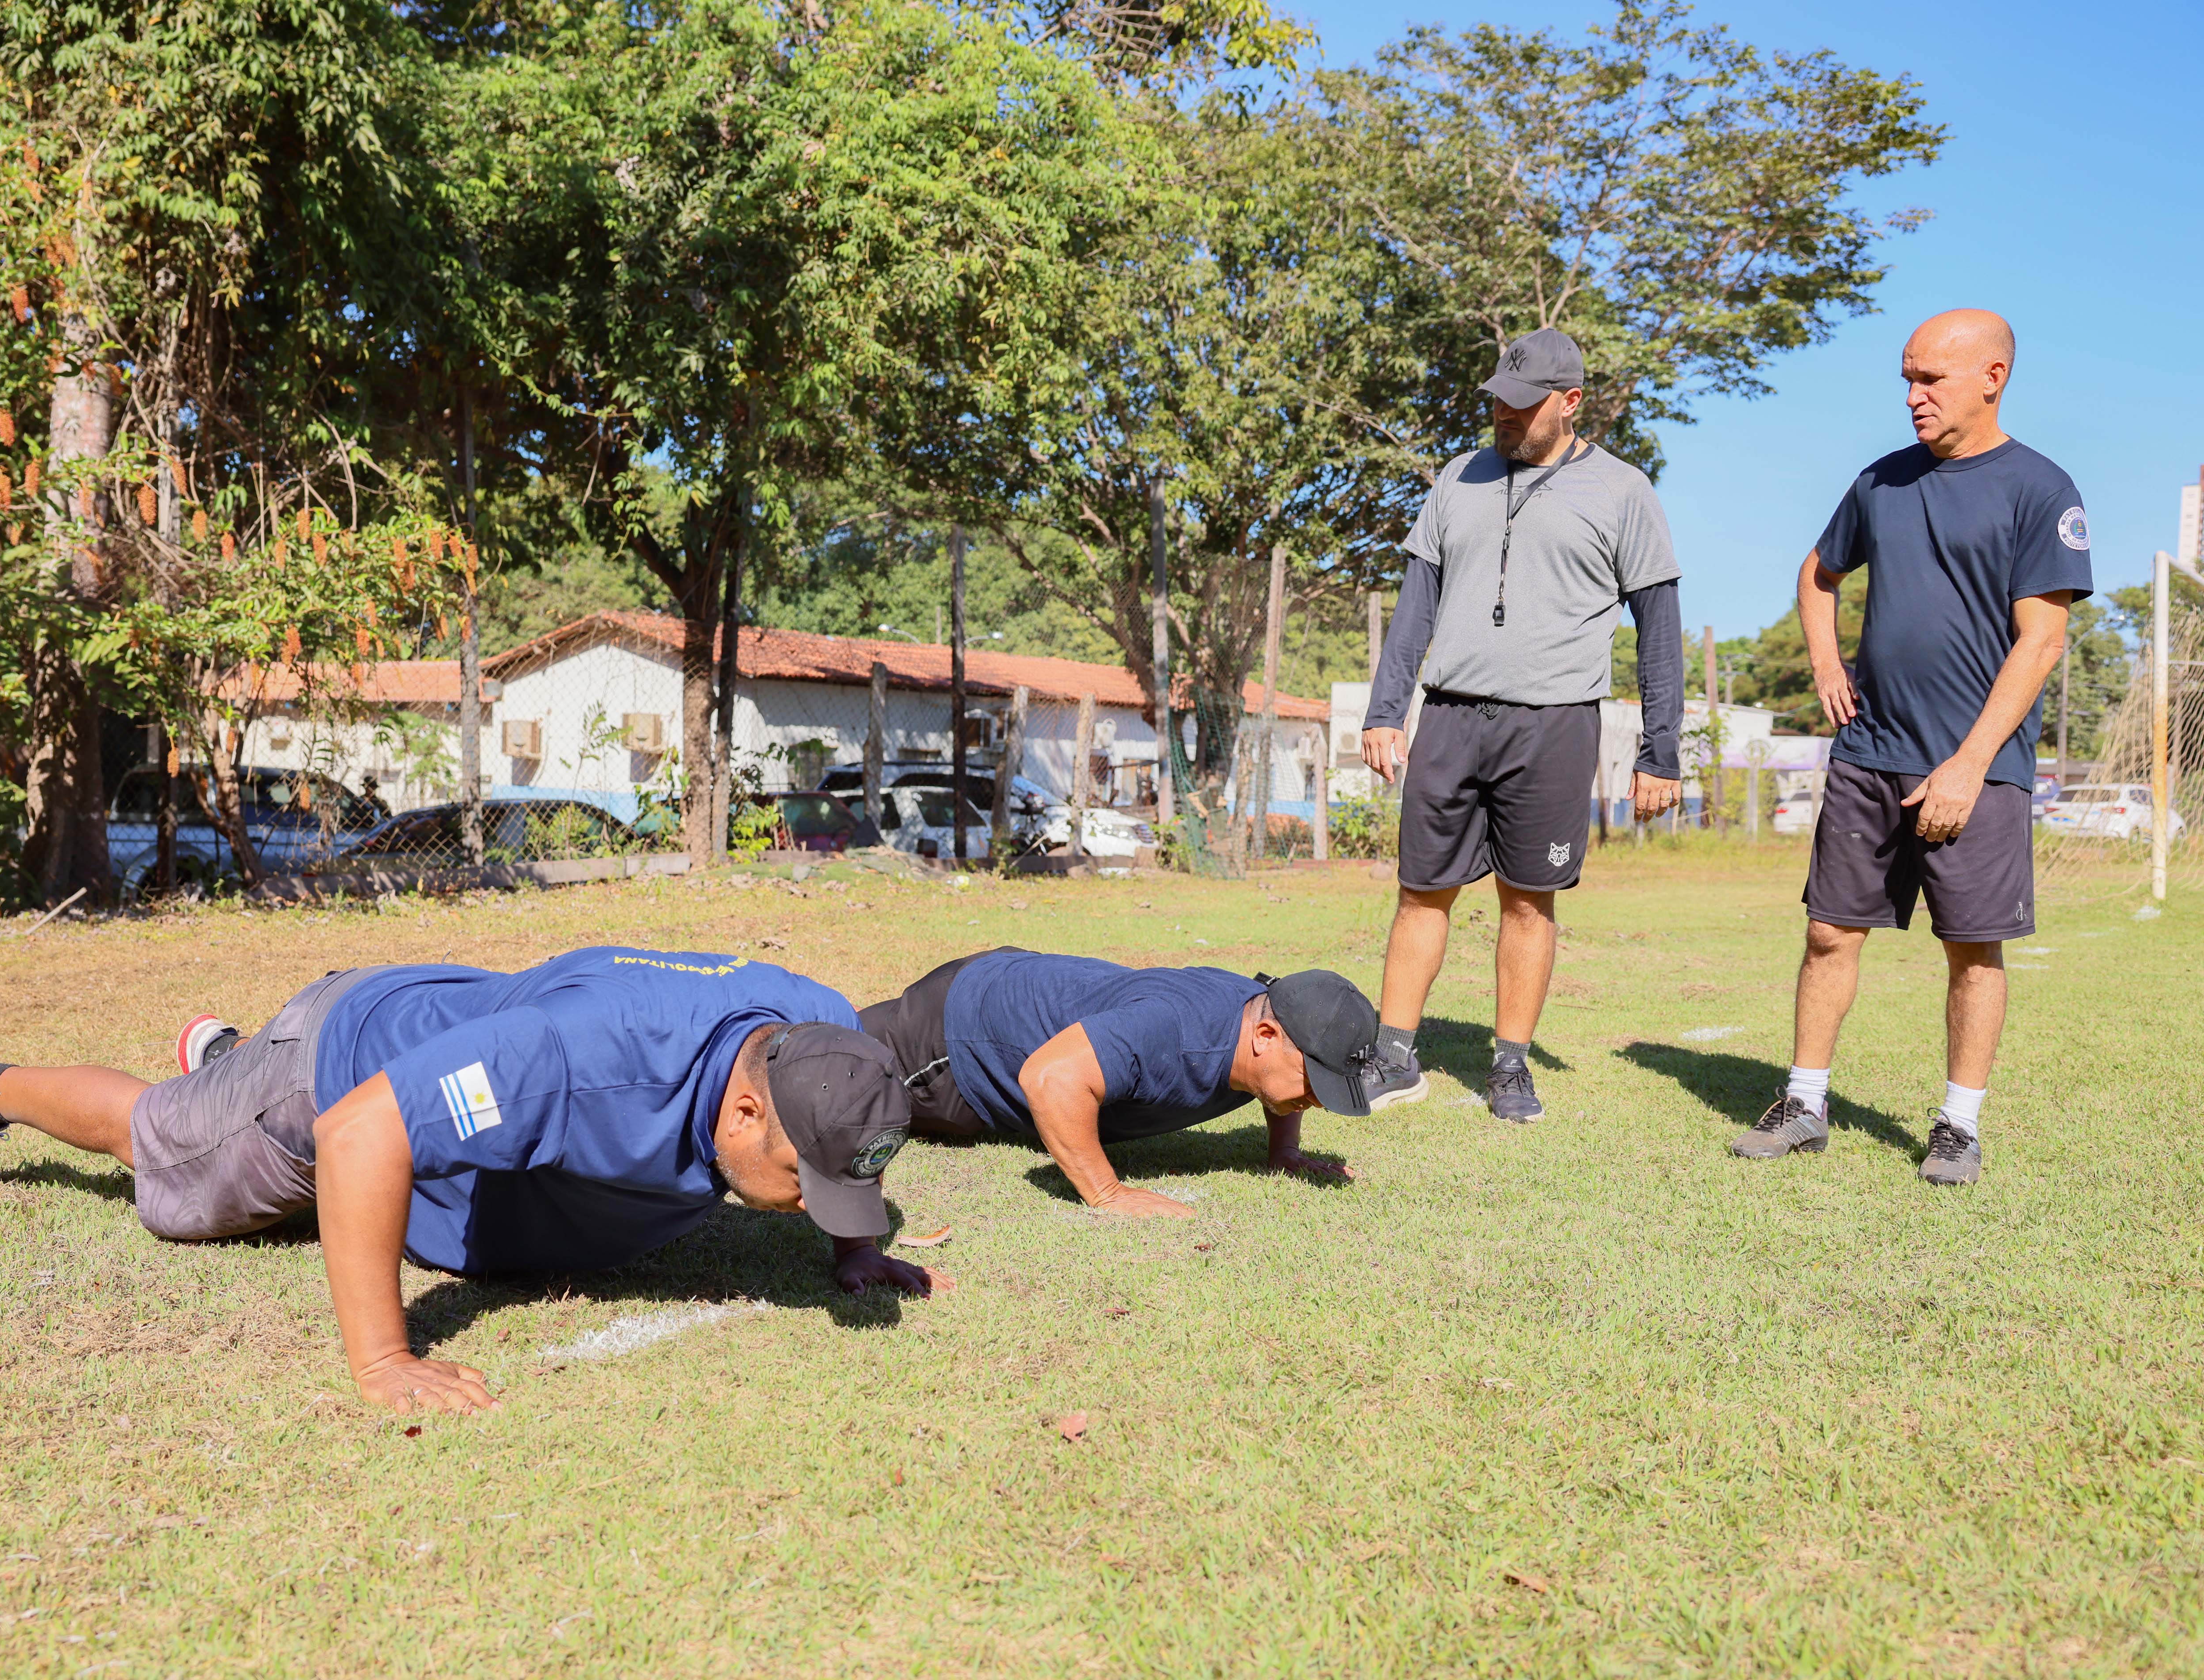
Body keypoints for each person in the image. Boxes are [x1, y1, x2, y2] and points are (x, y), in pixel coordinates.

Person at [0, 948, 938, 1412]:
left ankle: (228, 1056)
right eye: (803, 1184)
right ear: (746, 1110)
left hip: (456, 1040)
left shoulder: (820, 1040)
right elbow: (362, 1135)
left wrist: (856, 1246)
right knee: (171, 1164)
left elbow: (842, 1129)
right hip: (344, 1066)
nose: (806, 1204)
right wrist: (383, 1360)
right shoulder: (581, 1060)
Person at [1730, 309, 2086, 1186]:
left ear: (1993, 375)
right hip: (1869, 752)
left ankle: (1958, 1125)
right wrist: (1826, 658)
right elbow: (1819, 577)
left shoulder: (2042, 489)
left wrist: (1968, 762)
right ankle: (1804, 1105)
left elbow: (2040, 642)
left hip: (1977, 768)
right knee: (1827, 933)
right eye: (1907, 377)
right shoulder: (1879, 483)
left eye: (1931, 378)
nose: (1913, 395)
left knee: (1972, 948)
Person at [1359, 327, 1686, 1122]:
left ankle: (1509, 1066)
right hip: (1450, 717)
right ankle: (1393, 1054)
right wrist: (1383, 710)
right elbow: (1414, 608)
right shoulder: (1455, 480)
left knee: (1528, 900)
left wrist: (1661, 752)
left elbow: (1660, 628)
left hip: (1553, 726)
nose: (1502, 418)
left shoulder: (1621, 492)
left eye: (1520, 406)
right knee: (1420, 891)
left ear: (1569, 403)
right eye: (1496, 403)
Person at [856, 949, 1377, 1219]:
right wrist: (1108, 1192)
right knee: (815, 1066)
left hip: (1027, 980)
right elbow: (1051, 1076)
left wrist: (1283, 1151)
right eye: (1315, 1083)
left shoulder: (1264, 1014)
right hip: (952, 1035)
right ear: (1264, 1036)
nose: (1315, 1099)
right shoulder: (1181, 1032)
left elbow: (1288, 1069)